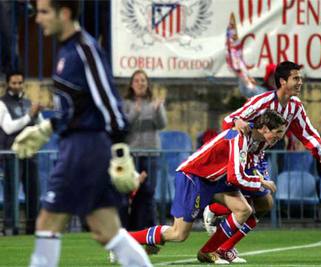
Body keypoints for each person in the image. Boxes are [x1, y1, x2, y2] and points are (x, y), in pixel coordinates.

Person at [11, 1, 151, 266]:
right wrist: (46, 128)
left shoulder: (84, 49)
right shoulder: (66, 51)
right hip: (79, 145)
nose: (37, 18)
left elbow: (109, 102)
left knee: (47, 222)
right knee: (105, 230)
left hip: (84, 149)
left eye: (43, 12)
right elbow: (79, 108)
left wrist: (120, 151)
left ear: (64, 13)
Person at [128, 110, 285, 264]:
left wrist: (260, 180)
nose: (280, 136)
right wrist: (260, 182)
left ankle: (208, 251)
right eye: (278, 131)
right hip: (193, 177)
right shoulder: (240, 137)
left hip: (214, 180)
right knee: (178, 234)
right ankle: (126, 241)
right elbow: (235, 176)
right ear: (264, 128)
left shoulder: (256, 138)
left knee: (244, 209)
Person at [222, 61, 321, 169]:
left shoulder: (296, 106)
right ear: (283, 81)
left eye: (300, 79)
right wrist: (237, 121)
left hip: (255, 160)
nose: (300, 82)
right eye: (296, 78)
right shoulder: (263, 101)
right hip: (232, 157)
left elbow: (307, 133)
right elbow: (228, 120)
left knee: (266, 185)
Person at [122, 69, 167, 231]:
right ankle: (130, 227)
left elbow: (162, 125)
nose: (140, 83)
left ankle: (147, 228)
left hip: (150, 153)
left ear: (147, 83)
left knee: (148, 192)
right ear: (131, 84)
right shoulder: (126, 103)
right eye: (136, 80)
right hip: (132, 154)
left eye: (143, 80)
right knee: (130, 191)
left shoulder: (153, 102)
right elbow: (124, 125)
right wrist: (136, 111)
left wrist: (158, 109)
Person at [0, 70, 41, 235]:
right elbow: (8, 128)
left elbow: (40, 125)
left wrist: (37, 117)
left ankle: (33, 228)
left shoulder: (27, 102)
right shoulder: (2, 103)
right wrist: (29, 116)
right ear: (7, 84)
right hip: (12, 154)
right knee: (11, 192)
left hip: (30, 153)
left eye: (19, 83)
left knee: (34, 192)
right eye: (14, 83)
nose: (17, 86)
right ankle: (10, 228)